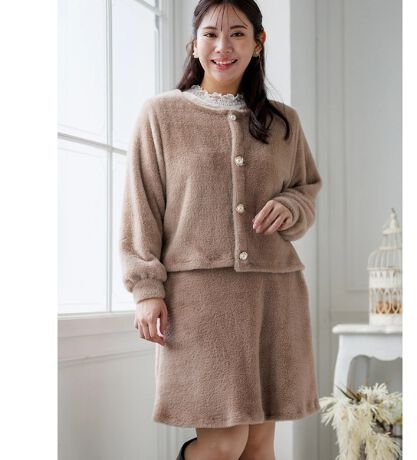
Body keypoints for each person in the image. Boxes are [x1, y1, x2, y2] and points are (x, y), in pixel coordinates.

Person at [118, 1, 323, 459]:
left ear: (258, 43)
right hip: (200, 300)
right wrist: (146, 289)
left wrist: (291, 206)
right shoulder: (161, 115)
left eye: (237, 34)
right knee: (224, 443)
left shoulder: (284, 122)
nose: (222, 46)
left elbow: (307, 189)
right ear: (194, 44)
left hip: (274, 295)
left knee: (260, 444)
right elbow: (141, 207)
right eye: (211, 34)